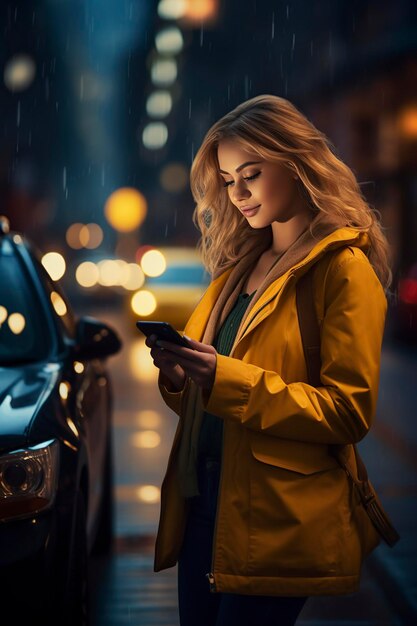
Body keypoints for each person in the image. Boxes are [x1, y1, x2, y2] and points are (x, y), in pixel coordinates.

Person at [145, 94, 392, 626]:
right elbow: (204, 393)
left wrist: (224, 376)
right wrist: (179, 375)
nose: (239, 194)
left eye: (251, 173)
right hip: (202, 502)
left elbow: (348, 412)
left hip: (277, 515)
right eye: (229, 180)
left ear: (297, 162)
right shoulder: (237, 270)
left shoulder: (343, 269)